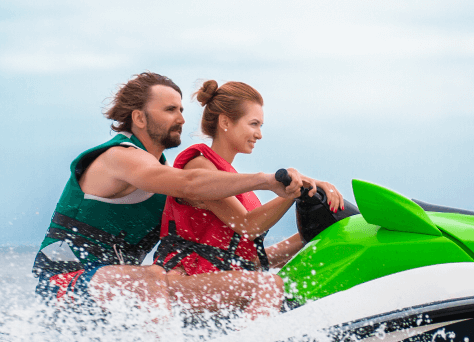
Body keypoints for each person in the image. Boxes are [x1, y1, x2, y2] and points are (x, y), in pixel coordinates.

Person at [33, 72, 321, 324]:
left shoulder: (162, 176)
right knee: (151, 277)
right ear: (139, 118)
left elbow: (235, 244)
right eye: (170, 109)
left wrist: (310, 227)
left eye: (182, 110)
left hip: (121, 288)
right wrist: (266, 180)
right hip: (65, 280)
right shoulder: (120, 157)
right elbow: (190, 184)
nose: (182, 119)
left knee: (156, 278)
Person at [155, 80, 344, 316]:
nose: (259, 134)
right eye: (253, 124)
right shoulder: (199, 166)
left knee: (291, 292)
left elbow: (252, 261)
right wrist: (294, 191)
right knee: (269, 286)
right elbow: (248, 225)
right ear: (225, 122)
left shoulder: (236, 183)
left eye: (260, 125)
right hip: (180, 284)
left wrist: (311, 235)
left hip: (214, 285)